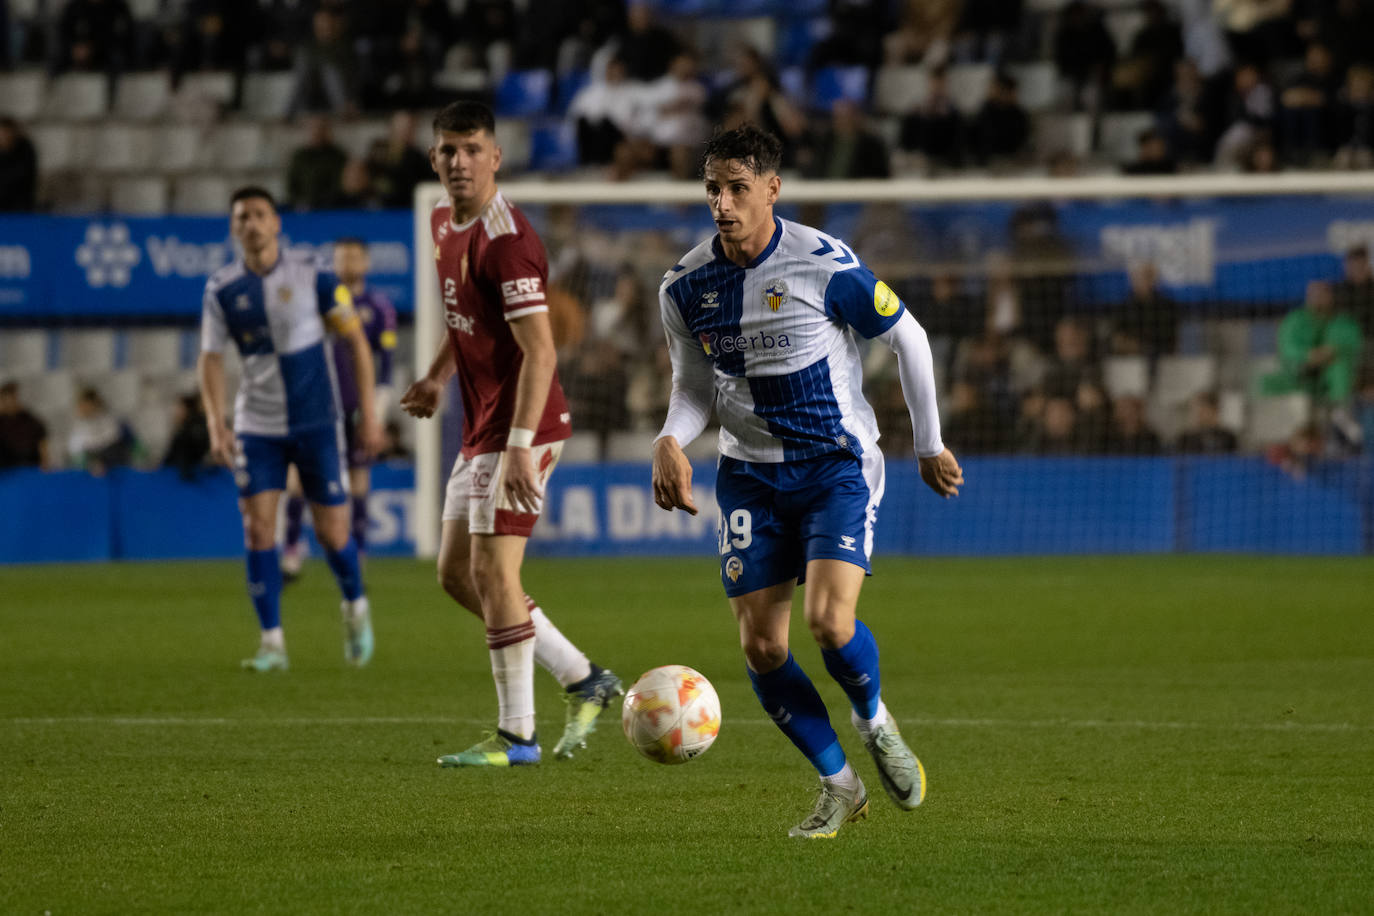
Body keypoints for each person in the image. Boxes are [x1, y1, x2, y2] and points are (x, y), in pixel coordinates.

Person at [651, 125, 963, 839]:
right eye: (712, 189)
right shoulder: (684, 285)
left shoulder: (823, 264)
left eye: (736, 187)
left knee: (828, 623)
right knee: (761, 646)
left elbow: (907, 336)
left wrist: (929, 443)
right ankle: (839, 785)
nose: (722, 203)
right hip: (749, 477)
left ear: (772, 188)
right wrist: (670, 437)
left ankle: (874, 720)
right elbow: (693, 384)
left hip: (833, 467)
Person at [400, 101, 622, 768]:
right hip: (482, 424)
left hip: (527, 426)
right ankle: (585, 679)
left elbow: (543, 351)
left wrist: (522, 445)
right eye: (448, 150)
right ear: (434, 158)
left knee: (494, 572)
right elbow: (461, 319)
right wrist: (438, 378)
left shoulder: (508, 240)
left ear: (495, 157)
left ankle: (517, 737)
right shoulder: (444, 223)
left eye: (472, 149)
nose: (459, 161)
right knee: (456, 576)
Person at [198, 185, 383, 672]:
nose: (251, 224)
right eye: (242, 217)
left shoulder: (314, 274)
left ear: (276, 222)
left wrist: (370, 412)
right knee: (258, 527)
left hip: (317, 421)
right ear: (233, 228)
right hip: (257, 426)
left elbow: (357, 344)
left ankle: (354, 605)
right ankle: (272, 643)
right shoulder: (222, 288)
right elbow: (210, 358)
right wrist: (216, 423)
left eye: (259, 214)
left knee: (333, 534)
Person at [282, 237, 397, 579]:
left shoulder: (378, 306)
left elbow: (385, 364)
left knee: (359, 481)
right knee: (298, 481)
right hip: (315, 407)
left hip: (354, 408)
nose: (347, 263)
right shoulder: (315, 301)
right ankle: (291, 550)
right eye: (341, 257)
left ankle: (358, 553)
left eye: (354, 257)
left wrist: (375, 412)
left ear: (366, 263)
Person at [0, 380, 49, 470]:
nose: (11, 402)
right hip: (6, 473)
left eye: (14, 397)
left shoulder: (31, 421)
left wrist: (45, 464)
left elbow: (43, 446)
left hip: (31, 469)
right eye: (7, 399)